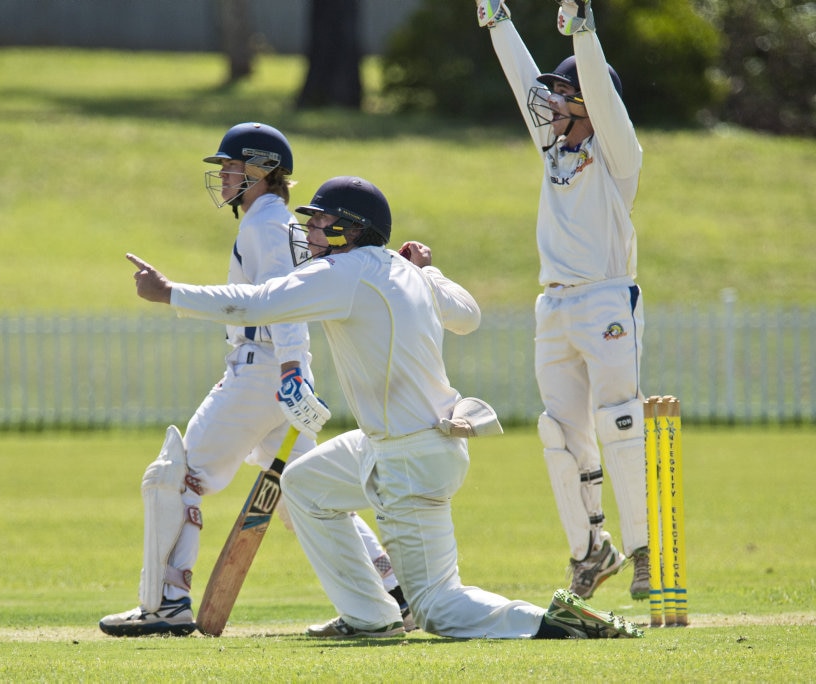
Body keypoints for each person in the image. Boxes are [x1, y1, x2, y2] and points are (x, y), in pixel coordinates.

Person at [125, 175, 643, 640]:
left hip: (411, 458)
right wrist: (428, 271)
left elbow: (257, 303)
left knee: (440, 607)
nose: (307, 233)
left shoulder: (344, 274)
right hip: (399, 444)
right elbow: (468, 315)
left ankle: (551, 620)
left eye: (320, 222)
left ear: (349, 229)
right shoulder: (401, 270)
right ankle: (370, 615)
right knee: (304, 484)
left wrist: (170, 292)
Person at [99, 123, 411, 637]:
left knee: (175, 475)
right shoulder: (278, 222)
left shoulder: (264, 226)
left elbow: (280, 302)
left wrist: (289, 366)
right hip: (277, 374)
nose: (222, 176)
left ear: (262, 171)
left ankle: (166, 602)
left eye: (231, 167)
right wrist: (295, 371)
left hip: (261, 370)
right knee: (301, 492)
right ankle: (394, 591)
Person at [476, 0, 649, 601]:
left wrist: (584, 31)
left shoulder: (619, 158)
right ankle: (589, 552)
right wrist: (497, 19)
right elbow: (523, 80)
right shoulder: (553, 148)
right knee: (560, 435)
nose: (548, 104)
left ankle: (645, 548)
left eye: (563, 96)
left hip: (605, 300)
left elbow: (600, 95)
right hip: (552, 305)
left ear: (591, 106)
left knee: (620, 420)